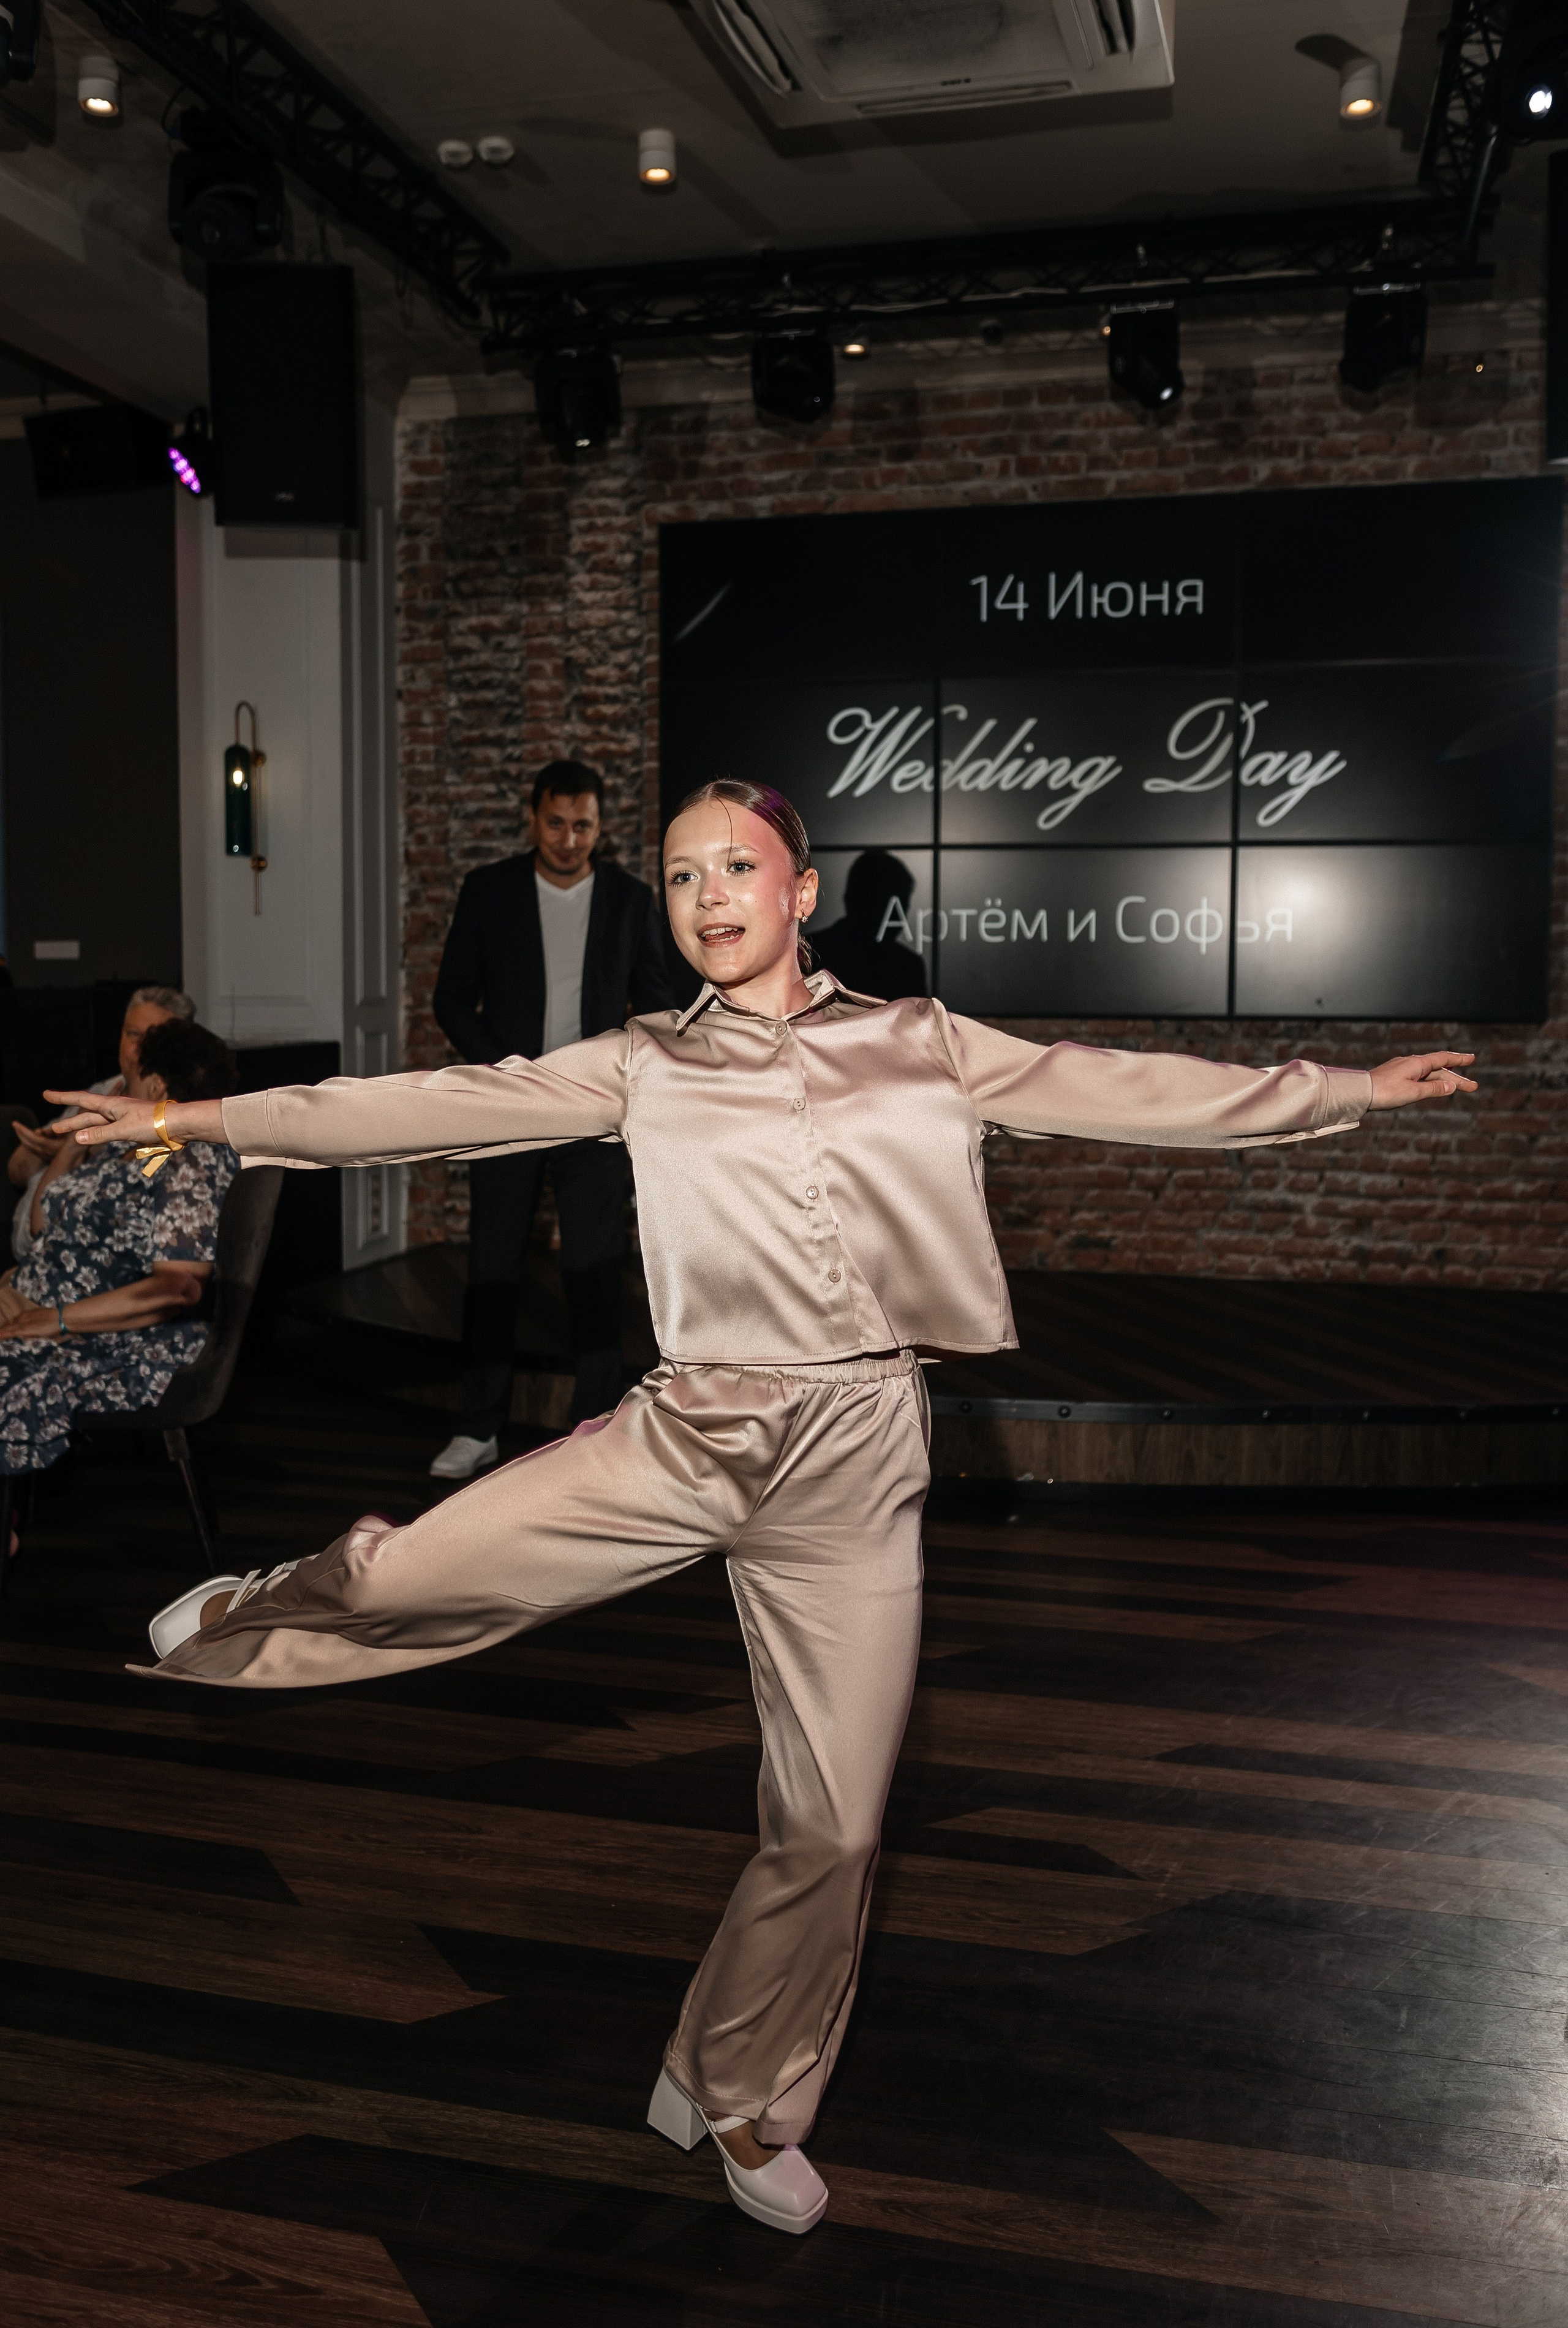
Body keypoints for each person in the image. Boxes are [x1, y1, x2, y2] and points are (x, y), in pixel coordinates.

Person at [54, 777, 1477, 2237]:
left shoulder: (919, 1042)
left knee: (833, 1831)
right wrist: (188, 1115)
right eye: (678, 876)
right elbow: (423, 1104)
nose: (708, 894)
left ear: (801, 893)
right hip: (691, 1430)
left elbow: (1122, 1084)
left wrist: (1348, 1090)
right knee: (404, 1573)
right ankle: (257, 1605)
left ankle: (733, 2085)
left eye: (736, 866)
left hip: (859, 1459)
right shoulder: (643, 1060)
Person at [430, 760, 671, 1478]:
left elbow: (654, 1002)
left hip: (594, 1110)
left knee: (593, 1270)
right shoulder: (489, 891)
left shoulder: (631, 900)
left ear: (601, 827)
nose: (570, 839)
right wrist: (503, 1070)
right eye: (557, 823)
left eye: (584, 825)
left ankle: (594, 1428)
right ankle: (477, 1427)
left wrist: (626, 1068)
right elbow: (451, 1000)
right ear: (533, 819)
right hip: (509, 1108)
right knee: (492, 1268)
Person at [0, 1018, 236, 1475]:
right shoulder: (131, 1143)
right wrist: (73, 1145)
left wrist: (58, 1318)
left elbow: (178, 1288)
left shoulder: (192, 1160)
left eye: (129, 1079)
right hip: (30, 1297)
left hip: (109, 1334)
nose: (119, 1089)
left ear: (154, 1085)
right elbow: (41, 1224)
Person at [9, 984, 196, 1260]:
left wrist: (79, 1151)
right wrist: (45, 1150)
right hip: (28, 1252)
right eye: (133, 1034)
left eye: (154, 1038)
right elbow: (16, 1172)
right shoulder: (98, 1092)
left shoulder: (177, 1116)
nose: (139, 1048)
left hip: (77, 1261)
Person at [810, 849, 928, 1002]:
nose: (899, 915)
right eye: (893, 903)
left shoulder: (812, 950)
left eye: (902, 904)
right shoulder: (809, 954)